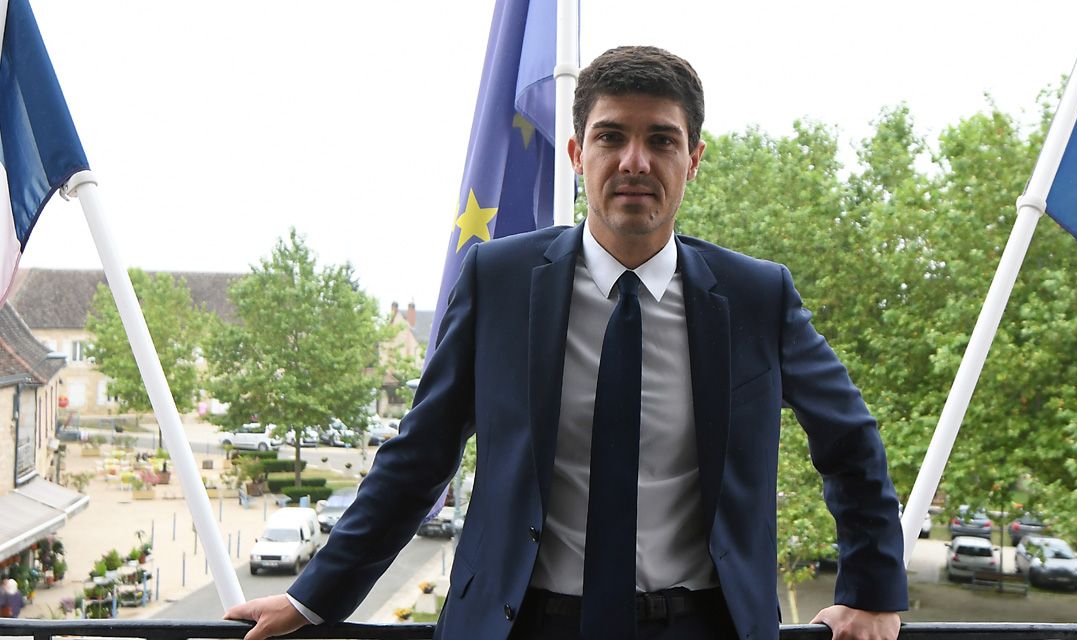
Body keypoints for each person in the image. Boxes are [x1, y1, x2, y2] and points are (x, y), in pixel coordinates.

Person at [227, 45, 906, 640]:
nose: (635, 161)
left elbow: (849, 439)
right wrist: (314, 597)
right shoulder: (497, 281)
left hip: (703, 625)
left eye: (662, 140)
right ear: (579, 152)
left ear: (694, 159)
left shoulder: (758, 295)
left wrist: (871, 592)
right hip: (521, 625)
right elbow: (420, 456)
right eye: (611, 136)